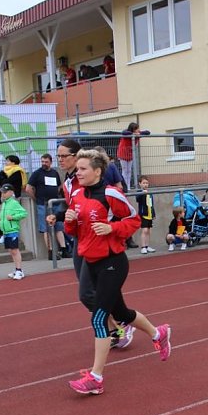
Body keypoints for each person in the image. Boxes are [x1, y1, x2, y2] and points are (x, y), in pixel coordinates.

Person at [66, 149, 172, 395]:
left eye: (82, 169)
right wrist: (69, 219)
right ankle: (159, 333)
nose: (77, 173)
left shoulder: (112, 194)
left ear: (97, 171)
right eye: (77, 169)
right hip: (89, 261)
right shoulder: (78, 194)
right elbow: (75, 231)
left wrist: (111, 228)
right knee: (121, 312)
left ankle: (96, 378)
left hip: (112, 262)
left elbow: (134, 221)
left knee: (98, 317)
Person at [47, 139, 132, 349]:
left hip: (104, 244)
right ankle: (117, 324)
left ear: (77, 156)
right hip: (82, 240)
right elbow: (74, 209)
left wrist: (112, 229)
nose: (60, 160)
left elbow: (122, 209)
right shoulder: (68, 183)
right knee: (88, 292)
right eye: (58, 156)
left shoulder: (97, 181)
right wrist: (59, 217)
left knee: (96, 291)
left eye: (64, 156)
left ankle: (120, 325)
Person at [26, 153, 69, 260]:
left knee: (59, 226)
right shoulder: (37, 173)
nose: (44, 164)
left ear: (51, 162)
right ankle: (51, 251)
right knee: (45, 228)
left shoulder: (54, 173)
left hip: (55, 203)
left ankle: (64, 249)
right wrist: (36, 199)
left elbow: (59, 186)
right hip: (42, 203)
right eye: (42, 162)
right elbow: (28, 188)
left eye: (46, 162)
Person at [0, 183, 28, 280]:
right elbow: (4, 215)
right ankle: (17, 269)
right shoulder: (4, 203)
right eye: (2, 193)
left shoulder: (13, 203)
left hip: (12, 230)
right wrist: (0, 218)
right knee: (11, 250)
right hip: (6, 231)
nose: (3, 194)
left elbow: (23, 213)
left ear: (11, 192)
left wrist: (13, 217)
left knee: (15, 250)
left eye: (5, 192)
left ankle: (19, 270)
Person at [117, 122, 150, 190]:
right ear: (133, 129)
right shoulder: (127, 133)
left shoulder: (138, 133)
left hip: (130, 154)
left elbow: (147, 132)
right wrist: (133, 134)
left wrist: (139, 133)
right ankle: (125, 186)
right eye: (137, 129)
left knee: (129, 171)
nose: (138, 130)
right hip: (123, 154)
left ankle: (128, 186)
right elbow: (123, 132)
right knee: (125, 170)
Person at [135, 175, 156, 254]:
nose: (145, 185)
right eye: (143, 183)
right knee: (144, 230)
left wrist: (153, 214)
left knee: (149, 231)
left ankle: (147, 246)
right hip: (143, 215)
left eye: (147, 183)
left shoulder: (150, 193)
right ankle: (143, 247)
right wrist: (142, 193)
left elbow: (151, 204)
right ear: (140, 184)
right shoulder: (139, 192)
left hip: (150, 214)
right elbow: (137, 199)